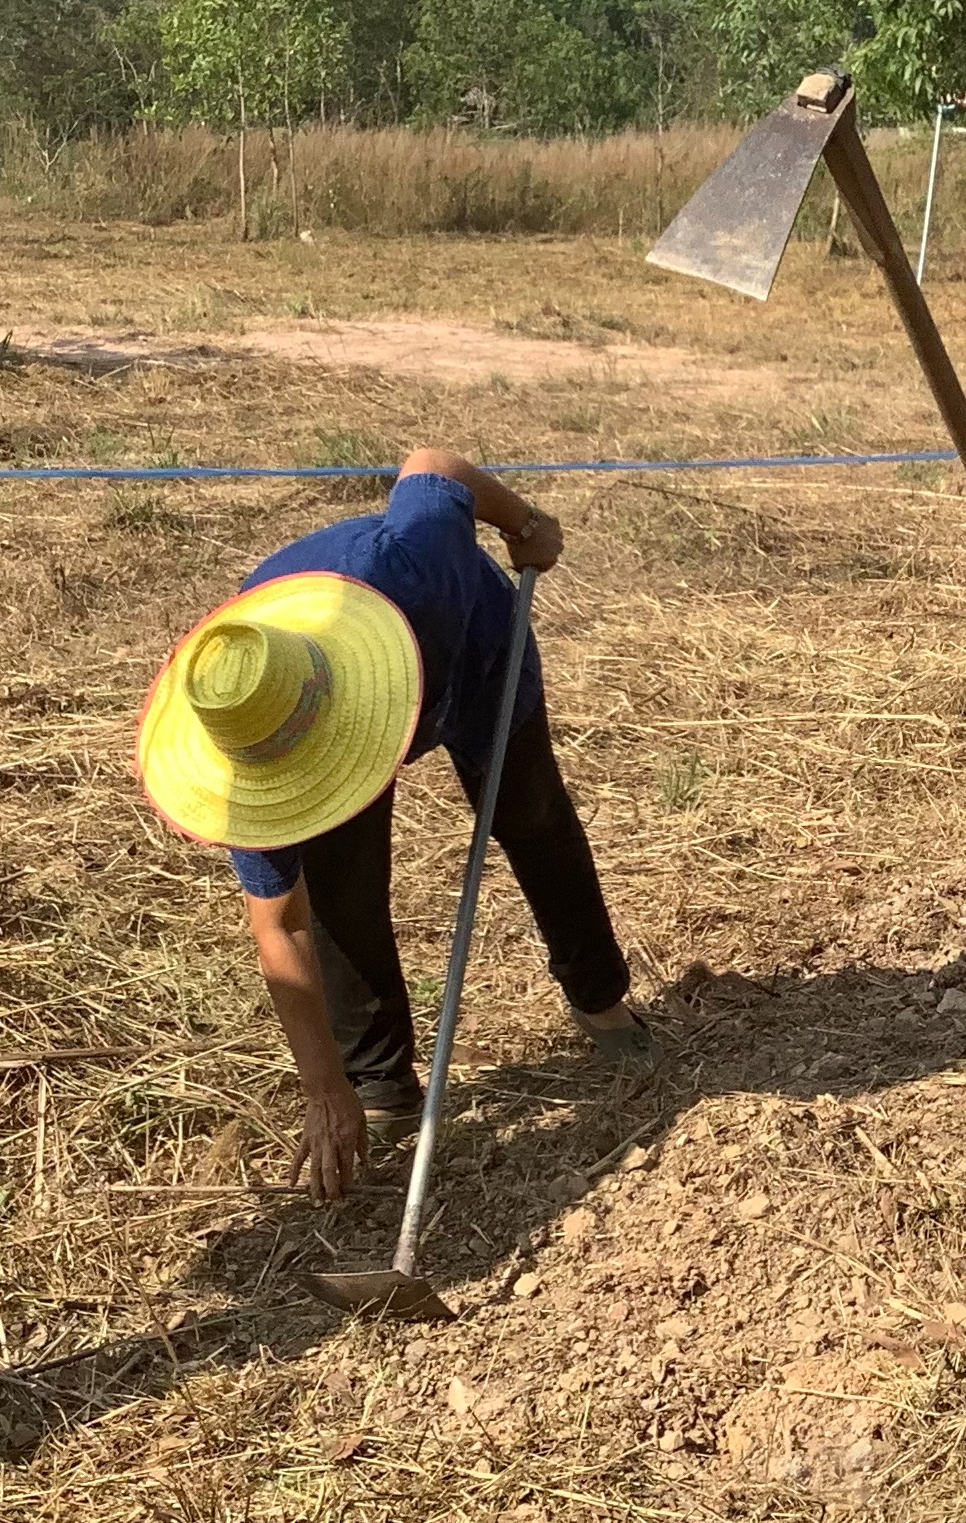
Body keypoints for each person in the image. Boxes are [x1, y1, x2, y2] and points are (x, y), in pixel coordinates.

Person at [136, 449, 647, 1201]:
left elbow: (434, 465)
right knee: (340, 892)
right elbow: (283, 924)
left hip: (468, 652)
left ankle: (601, 1003)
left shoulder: (409, 559)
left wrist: (527, 526)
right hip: (315, 693)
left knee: (530, 817)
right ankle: (382, 1087)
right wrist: (324, 1086)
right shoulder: (248, 738)